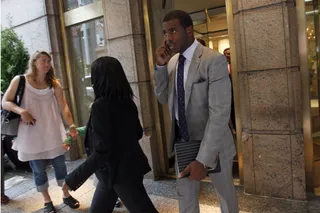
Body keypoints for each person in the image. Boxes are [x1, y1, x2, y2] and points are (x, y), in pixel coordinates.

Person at [154, 10, 238, 213]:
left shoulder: (213, 60)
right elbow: (163, 98)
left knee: (225, 195)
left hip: (214, 144)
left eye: (173, 31)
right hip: (184, 143)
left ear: (189, 30)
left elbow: (219, 113)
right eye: (165, 33)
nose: (168, 38)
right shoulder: (172, 62)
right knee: (186, 199)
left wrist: (202, 159)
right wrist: (160, 67)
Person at [62, 56, 158, 213]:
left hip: (121, 175)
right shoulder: (127, 101)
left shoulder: (100, 106)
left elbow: (102, 151)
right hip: (116, 171)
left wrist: (73, 179)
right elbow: (138, 133)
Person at [2, 51, 80, 213]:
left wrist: (71, 125)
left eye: (49, 61)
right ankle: (47, 200)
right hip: (31, 135)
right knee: (38, 170)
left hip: (53, 133)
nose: (47, 64)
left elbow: (64, 107)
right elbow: (5, 102)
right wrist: (22, 111)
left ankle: (65, 194)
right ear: (34, 62)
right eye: (44, 60)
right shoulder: (20, 80)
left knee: (60, 167)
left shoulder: (54, 84)